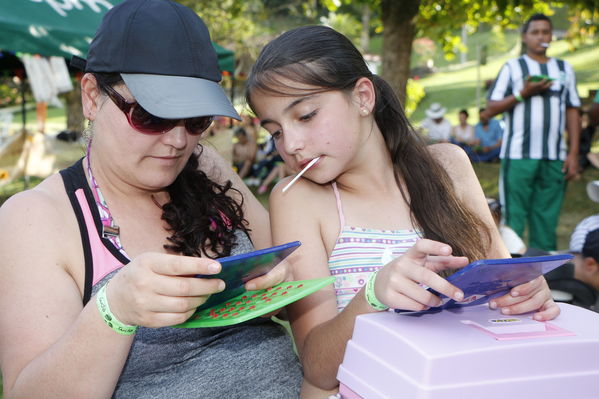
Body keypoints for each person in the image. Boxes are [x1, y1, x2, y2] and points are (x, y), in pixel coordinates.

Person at [0, 1, 302, 398]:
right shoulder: (35, 219)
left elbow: (288, 275)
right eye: (151, 116)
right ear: (92, 97)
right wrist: (113, 312)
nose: (178, 141)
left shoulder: (203, 163)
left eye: (197, 120)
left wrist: (275, 285)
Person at [245, 25, 559, 395]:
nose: (291, 144)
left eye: (306, 115)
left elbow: (505, 282)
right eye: (275, 132)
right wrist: (372, 295)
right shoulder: (296, 198)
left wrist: (527, 294)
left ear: (363, 97)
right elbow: (317, 368)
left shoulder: (449, 166)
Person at [484, 13, 581, 251]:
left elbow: (572, 110)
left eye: (546, 32)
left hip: (553, 156)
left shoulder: (563, 68)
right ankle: (511, 274)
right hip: (518, 156)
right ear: (525, 37)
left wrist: (573, 153)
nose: (541, 37)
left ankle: (544, 277)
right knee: (513, 217)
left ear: (551, 36)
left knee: (546, 219)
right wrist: (523, 93)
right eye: (535, 32)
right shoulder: (513, 67)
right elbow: (490, 109)